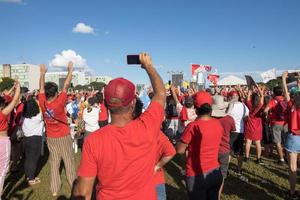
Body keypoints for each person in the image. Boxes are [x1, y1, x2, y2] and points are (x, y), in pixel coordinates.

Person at [73, 53, 166, 200]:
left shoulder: (93, 140)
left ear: (105, 104)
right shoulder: (148, 126)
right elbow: (160, 94)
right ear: (133, 103)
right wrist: (149, 67)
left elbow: (83, 192)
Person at [176, 91, 224, 200]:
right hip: (215, 172)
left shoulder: (193, 126)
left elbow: (179, 150)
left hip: (196, 175)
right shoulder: (218, 123)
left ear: (196, 108)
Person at [39, 62, 76, 196]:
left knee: (54, 163)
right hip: (63, 136)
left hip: (51, 137)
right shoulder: (59, 102)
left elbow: (41, 89)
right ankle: (73, 185)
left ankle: (54, 189)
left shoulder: (42, 101)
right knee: (69, 162)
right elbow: (66, 85)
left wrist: (42, 73)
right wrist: (70, 70)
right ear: (55, 93)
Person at [211, 94, 236, 199]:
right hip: (224, 149)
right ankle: (217, 196)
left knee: (209, 173)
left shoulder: (209, 119)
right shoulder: (229, 119)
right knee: (222, 174)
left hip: (210, 149)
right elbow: (233, 130)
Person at [0, 81, 20, 198]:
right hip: (3, 142)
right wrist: (18, 87)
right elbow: (15, 100)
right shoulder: (2, 113)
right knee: (2, 170)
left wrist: (13, 87)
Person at [282, 71, 300, 200]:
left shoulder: (291, 105)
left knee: (293, 167)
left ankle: (292, 192)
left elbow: (286, 93)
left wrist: (283, 79)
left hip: (293, 137)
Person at [227, 90, 249, 178]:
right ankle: (239, 169)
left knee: (228, 151)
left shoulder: (229, 105)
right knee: (239, 151)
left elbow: (226, 116)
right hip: (240, 131)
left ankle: (227, 169)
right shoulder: (244, 106)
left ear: (230, 97)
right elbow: (246, 118)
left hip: (230, 131)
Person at [22, 98, 44, 185]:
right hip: (35, 140)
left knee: (28, 158)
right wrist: (39, 103)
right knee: (33, 160)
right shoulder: (38, 117)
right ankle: (31, 178)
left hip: (26, 139)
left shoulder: (23, 117)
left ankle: (28, 175)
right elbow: (43, 109)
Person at [264, 86, 288, 164]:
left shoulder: (273, 101)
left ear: (274, 93)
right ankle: (287, 157)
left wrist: (267, 116)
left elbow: (265, 110)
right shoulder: (285, 100)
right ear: (282, 92)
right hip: (285, 123)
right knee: (286, 141)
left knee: (277, 142)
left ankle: (281, 159)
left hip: (275, 123)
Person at [244, 84, 264, 164]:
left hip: (249, 126)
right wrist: (258, 88)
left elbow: (248, 97)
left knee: (248, 142)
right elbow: (262, 96)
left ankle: (246, 157)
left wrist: (250, 88)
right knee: (258, 143)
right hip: (258, 127)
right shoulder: (259, 105)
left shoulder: (249, 104)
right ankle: (258, 158)